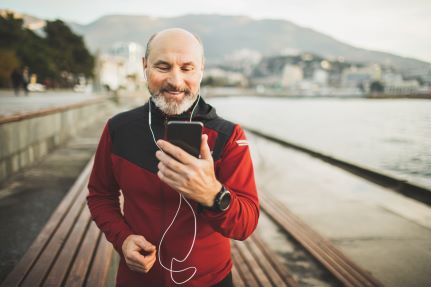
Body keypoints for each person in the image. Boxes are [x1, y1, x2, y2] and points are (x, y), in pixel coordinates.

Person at [87, 28, 259, 287]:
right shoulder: (118, 129)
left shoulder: (230, 136)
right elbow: (100, 195)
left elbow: (246, 224)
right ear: (145, 66)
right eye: (163, 67)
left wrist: (213, 195)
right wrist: (122, 239)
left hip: (210, 280)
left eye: (187, 68)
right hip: (137, 279)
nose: (175, 81)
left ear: (201, 69)